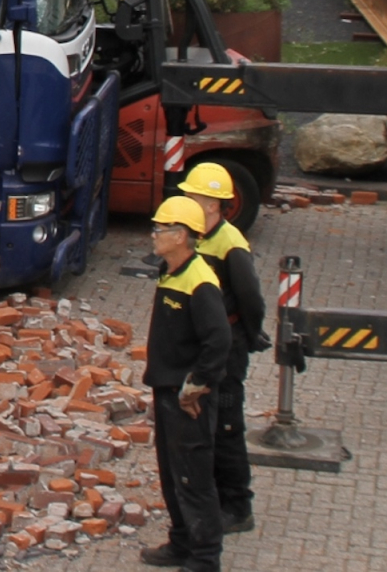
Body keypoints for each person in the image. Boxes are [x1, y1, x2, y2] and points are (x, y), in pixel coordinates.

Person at [139, 196, 230, 572]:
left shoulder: (200, 281)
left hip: (187, 397)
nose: (154, 235)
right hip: (167, 388)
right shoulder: (171, 271)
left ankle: (205, 557)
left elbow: (219, 341)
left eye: (161, 230)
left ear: (181, 236)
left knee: (193, 477)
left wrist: (197, 385)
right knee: (172, 472)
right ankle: (181, 542)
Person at [179, 163, 270, 534]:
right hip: (207, 346)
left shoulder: (230, 244)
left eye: (193, 196)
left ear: (213, 204)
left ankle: (238, 506)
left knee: (227, 427)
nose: (187, 201)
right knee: (208, 424)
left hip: (228, 348)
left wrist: (249, 337)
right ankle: (215, 494)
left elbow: (251, 298)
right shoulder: (197, 237)